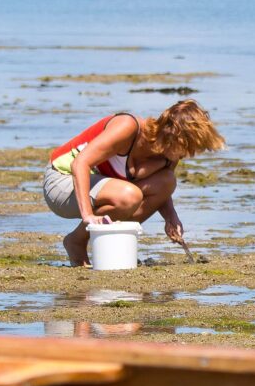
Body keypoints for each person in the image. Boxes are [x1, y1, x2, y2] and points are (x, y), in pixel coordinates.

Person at [42, 100, 225, 266]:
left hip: (101, 189)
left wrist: (171, 217)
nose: (188, 155)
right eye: (188, 148)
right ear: (173, 136)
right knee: (129, 196)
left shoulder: (169, 156)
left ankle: (110, 246)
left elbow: (162, 191)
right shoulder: (128, 127)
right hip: (61, 181)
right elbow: (79, 164)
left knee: (167, 181)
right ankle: (77, 241)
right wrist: (88, 216)